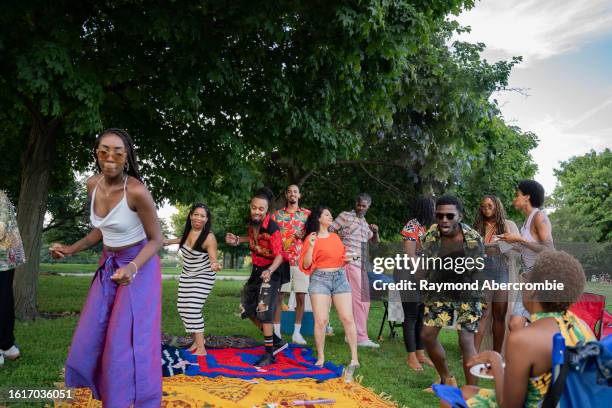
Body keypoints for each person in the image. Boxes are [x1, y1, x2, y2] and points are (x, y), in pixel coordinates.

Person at [50, 128, 163, 407]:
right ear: (97, 154)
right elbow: (99, 231)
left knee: (123, 340)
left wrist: (133, 268)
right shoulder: (92, 184)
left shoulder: (136, 190)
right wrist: (70, 249)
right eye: (103, 150)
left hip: (139, 267)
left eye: (117, 151)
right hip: (109, 265)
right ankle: (107, 393)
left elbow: (157, 239)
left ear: (127, 157)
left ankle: (132, 399)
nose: (110, 157)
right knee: (93, 331)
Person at [455, 251, 595, 408]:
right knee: (466, 391)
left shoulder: (524, 339)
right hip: (565, 402)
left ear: (533, 289)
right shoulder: (582, 327)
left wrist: (495, 360)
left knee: (449, 398)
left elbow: (509, 406)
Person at [420, 194, 485, 389]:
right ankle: (446, 379)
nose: (444, 220)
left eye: (449, 216)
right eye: (439, 216)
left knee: (466, 340)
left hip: (468, 287)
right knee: (427, 336)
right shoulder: (432, 235)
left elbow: (476, 273)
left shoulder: (473, 239)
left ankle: (472, 393)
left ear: (460, 216)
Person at [225, 189, 290, 367]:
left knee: (264, 310)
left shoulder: (273, 228)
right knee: (247, 308)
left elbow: (279, 256)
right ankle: (276, 340)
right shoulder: (252, 223)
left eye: (261, 209)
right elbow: (254, 238)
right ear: (250, 207)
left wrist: (269, 271)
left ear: (266, 211)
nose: (257, 211)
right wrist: (238, 239)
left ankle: (270, 354)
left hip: (273, 270)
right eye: (254, 207)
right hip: (257, 269)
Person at [299, 206, 359, 372]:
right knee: (321, 321)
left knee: (348, 318)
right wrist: (311, 246)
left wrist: (350, 258)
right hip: (319, 280)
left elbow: (341, 259)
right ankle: (321, 357)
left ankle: (355, 358)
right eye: (327, 214)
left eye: (330, 214)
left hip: (339, 278)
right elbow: (306, 264)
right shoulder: (311, 237)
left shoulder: (335, 237)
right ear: (319, 218)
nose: (330, 216)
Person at [163, 203, 221, 356]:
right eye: (196, 214)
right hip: (187, 274)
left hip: (204, 275)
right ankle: (196, 342)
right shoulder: (188, 233)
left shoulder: (209, 237)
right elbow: (181, 239)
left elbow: (213, 257)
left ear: (207, 219)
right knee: (183, 308)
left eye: (202, 216)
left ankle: (201, 349)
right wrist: (167, 241)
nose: (198, 218)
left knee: (193, 309)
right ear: (190, 216)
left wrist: (215, 264)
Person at [497, 180, 554, 332]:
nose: (514, 199)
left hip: (541, 278)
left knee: (518, 325)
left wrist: (520, 239)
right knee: (515, 325)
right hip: (529, 278)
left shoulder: (539, 217)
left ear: (527, 197)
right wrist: (505, 242)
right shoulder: (527, 221)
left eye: (517, 195)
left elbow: (549, 250)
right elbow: (527, 248)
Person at [330, 193, 380, 348]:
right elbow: (329, 231)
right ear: (355, 203)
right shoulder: (345, 216)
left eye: (364, 205)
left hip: (361, 265)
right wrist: (339, 247)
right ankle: (359, 337)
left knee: (363, 301)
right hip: (349, 263)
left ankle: (350, 334)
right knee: (359, 301)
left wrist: (376, 232)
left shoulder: (365, 224)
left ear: (368, 206)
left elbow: (375, 244)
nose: (360, 207)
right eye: (359, 204)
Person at [473, 195, 520, 353]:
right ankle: (473, 354)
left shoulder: (508, 225)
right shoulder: (478, 227)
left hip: (501, 272)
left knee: (500, 314)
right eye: (483, 206)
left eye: (489, 206)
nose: (486, 209)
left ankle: (497, 355)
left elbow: (519, 248)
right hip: (483, 271)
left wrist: (501, 247)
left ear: (497, 207)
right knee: (484, 313)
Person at [399, 195, 435, 371]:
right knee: (411, 315)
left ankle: (420, 353)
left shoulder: (426, 228)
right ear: (426, 209)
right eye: (433, 208)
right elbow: (410, 255)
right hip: (408, 273)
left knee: (421, 314)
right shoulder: (412, 225)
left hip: (422, 274)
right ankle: (411, 356)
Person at [272, 185, 311, 345]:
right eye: (289, 192)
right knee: (279, 297)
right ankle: (276, 333)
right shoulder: (277, 215)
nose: (292, 194)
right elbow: (271, 237)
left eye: (295, 191)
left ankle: (297, 333)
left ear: (299, 195)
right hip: (283, 261)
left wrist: (306, 235)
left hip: (301, 261)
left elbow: (315, 234)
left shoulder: (307, 214)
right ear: (286, 195)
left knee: (301, 297)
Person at [0, 190, 26, 367]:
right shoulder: (1, 196)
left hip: (3, 255)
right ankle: (7, 346)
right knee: (4, 299)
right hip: (6, 257)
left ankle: (5, 346)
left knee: (3, 300)